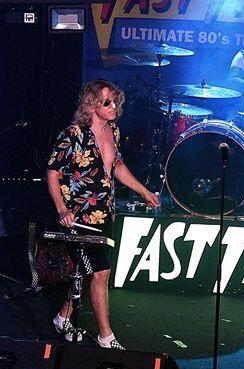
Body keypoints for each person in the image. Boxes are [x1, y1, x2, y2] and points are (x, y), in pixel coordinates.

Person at [47, 79, 160, 350]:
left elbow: (117, 166)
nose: (113, 107)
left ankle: (63, 317)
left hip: (104, 213)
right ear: (91, 104)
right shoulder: (73, 134)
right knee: (101, 272)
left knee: (89, 273)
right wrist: (62, 209)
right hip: (78, 215)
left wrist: (143, 191)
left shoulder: (114, 131)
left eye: (115, 102)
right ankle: (105, 336)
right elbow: (52, 173)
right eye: (107, 102)